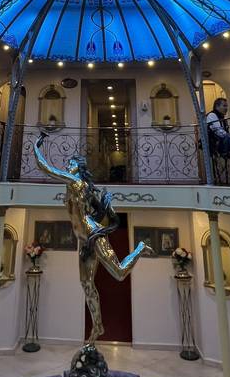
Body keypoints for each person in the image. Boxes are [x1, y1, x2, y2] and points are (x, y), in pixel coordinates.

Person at [33, 133, 153, 341]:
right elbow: (94, 209)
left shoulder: (76, 182)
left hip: (93, 234)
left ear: (76, 168)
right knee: (87, 284)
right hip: (83, 241)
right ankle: (98, 327)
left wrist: (36, 145)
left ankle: (140, 247)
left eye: (70, 163)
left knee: (119, 273)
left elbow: (46, 168)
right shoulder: (77, 187)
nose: (68, 166)